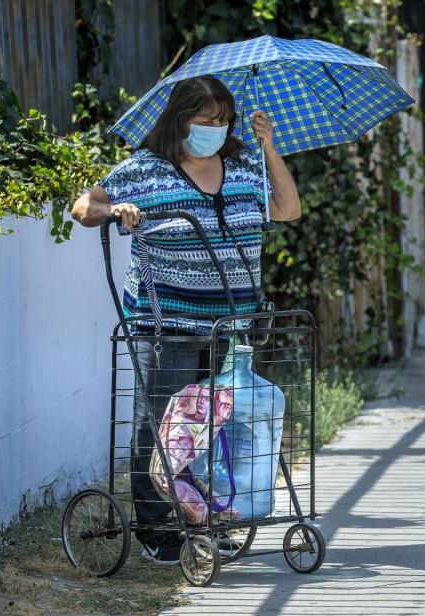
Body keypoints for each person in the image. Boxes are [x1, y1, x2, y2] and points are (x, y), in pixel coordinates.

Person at [70, 75, 301, 564]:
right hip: (166, 323)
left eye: (224, 122)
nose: (216, 130)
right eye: (206, 122)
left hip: (231, 326)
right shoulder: (147, 170)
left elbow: (287, 208)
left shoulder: (242, 165)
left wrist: (269, 148)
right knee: (161, 428)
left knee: (215, 429)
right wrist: (116, 208)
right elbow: (83, 206)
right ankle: (159, 530)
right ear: (181, 121)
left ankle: (207, 519)